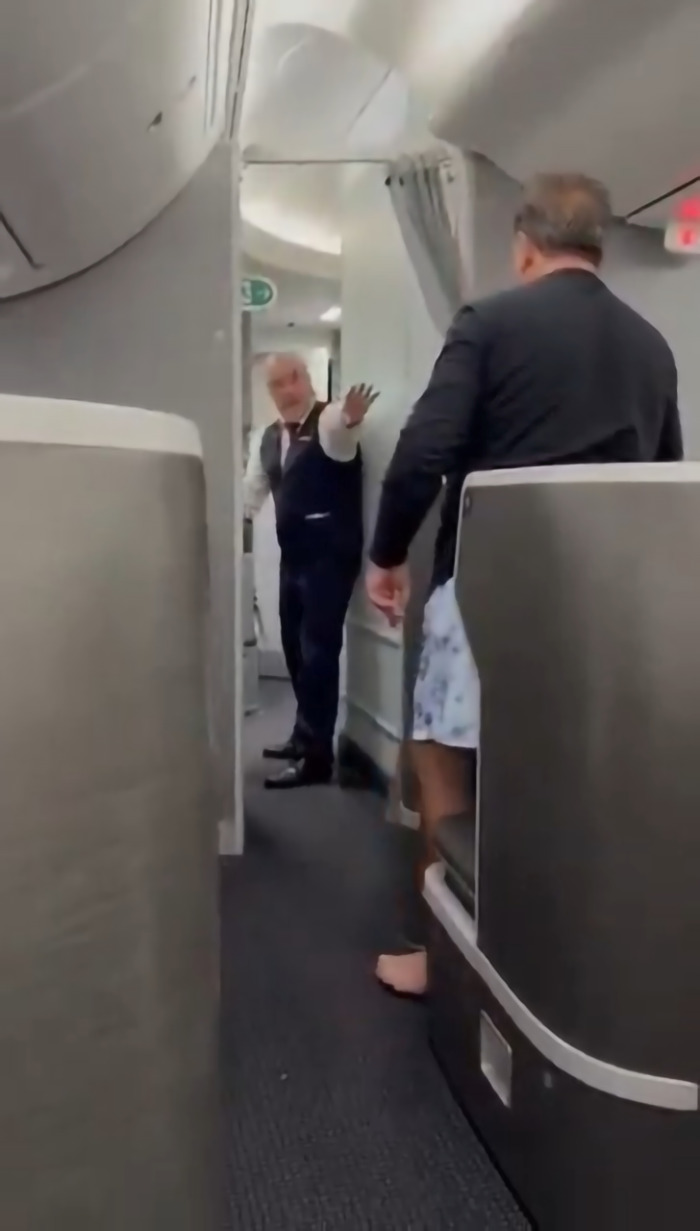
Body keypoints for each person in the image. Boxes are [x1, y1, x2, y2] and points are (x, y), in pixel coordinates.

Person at [366, 172, 683, 996]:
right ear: (599, 245)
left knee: (439, 762)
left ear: (525, 246)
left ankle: (442, 962)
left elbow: (424, 449)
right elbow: (662, 478)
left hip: (490, 598)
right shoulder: (652, 345)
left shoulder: (491, 322)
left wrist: (388, 552)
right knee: (556, 778)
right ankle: (559, 962)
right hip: (602, 614)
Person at [245, 353, 378, 788]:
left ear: (308, 380)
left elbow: (342, 427)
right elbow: (252, 495)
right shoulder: (268, 439)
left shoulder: (327, 421)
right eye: (277, 384)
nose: (287, 389)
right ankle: (304, 735)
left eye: (293, 379)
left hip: (330, 557)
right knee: (294, 648)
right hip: (294, 556)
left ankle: (317, 757)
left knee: (318, 653)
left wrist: (352, 416)